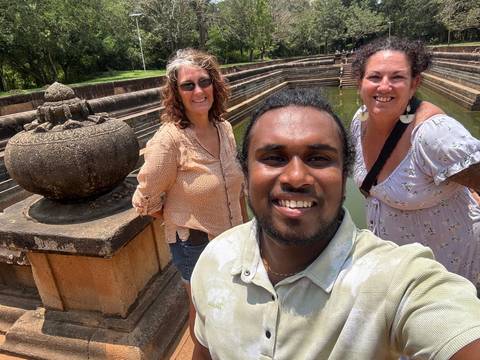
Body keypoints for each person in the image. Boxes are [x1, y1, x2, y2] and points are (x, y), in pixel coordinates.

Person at [190, 88, 480, 360]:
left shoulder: (396, 280)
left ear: (345, 179)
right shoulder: (214, 259)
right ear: (246, 174)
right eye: (274, 158)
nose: (295, 177)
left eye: (318, 158)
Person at [132, 48, 246, 340]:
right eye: (188, 85)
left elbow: (238, 189)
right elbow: (144, 199)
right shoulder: (169, 140)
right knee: (204, 315)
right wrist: (177, 216)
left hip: (234, 236)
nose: (198, 91)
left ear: (214, 85)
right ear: (176, 93)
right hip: (195, 243)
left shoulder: (224, 128)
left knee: (232, 308)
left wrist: (247, 232)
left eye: (204, 82)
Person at [350, 37, 480, 291]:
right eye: (375, 77)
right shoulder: (360, 120)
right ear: (360, 82)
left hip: (450, 269)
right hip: (399, 267)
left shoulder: (434, 134)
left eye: (397, 77)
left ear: (414, 83)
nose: (384, 87)